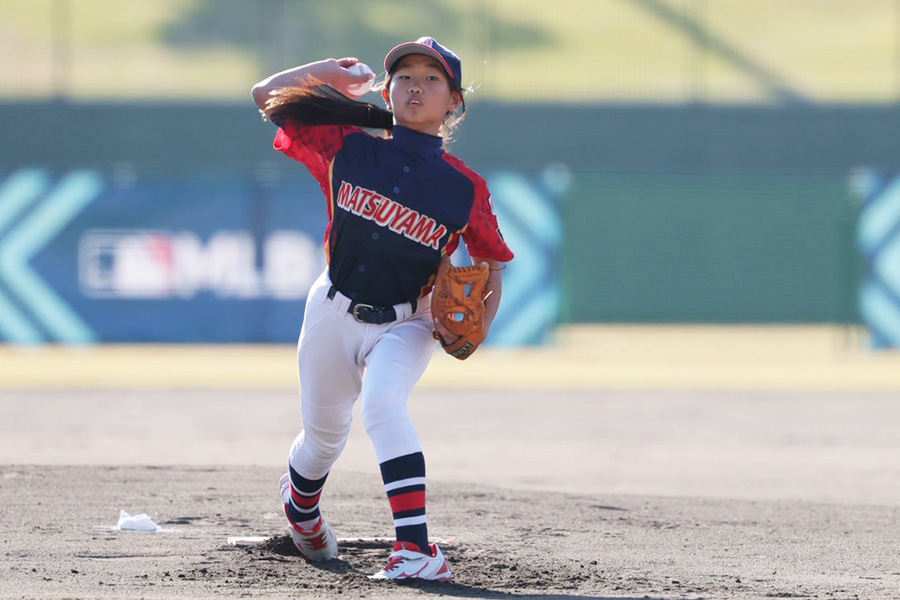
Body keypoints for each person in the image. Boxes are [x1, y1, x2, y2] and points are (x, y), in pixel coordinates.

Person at [250, 37, 514, 582]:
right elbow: (265, 94)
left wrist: (483, 324)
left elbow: (492, 260)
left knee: (383, 403)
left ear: (454, 102)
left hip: (410, 320)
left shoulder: (464, 187)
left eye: (432, 79)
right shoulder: (348, 147)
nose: (416, 87)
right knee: (322, 440)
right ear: (387, 91)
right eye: (405, 77)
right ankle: (301, 506)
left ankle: (416, 550)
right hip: (333, 310)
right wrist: (328, 71)